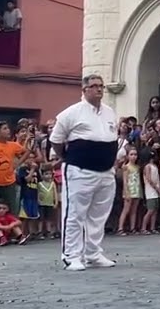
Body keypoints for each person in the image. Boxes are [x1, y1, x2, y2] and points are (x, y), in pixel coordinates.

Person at [50, 74, 120, 271]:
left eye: (101, 86)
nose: (99, 89)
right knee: (75, 214)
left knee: (99, 215)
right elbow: (56, 140)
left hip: (105, 171)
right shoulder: (71, 113)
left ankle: (93, 253)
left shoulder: (109, 112)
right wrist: (66, 158)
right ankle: (71, 256)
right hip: (80, 171)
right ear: (84, 90)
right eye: (94, 86)